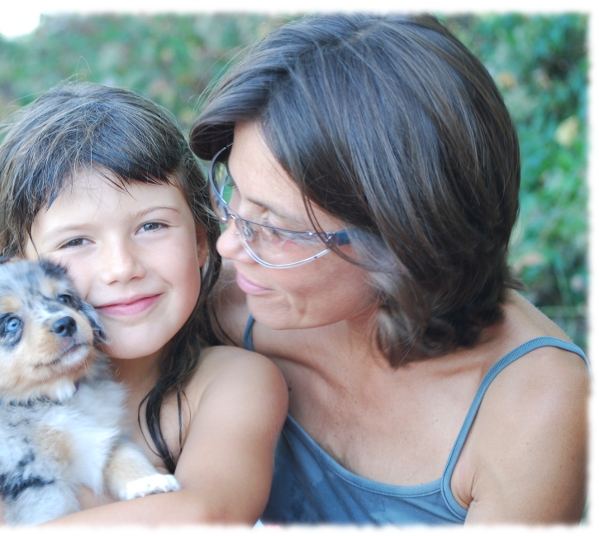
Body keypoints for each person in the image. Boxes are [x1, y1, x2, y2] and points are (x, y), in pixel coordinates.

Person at [0, 82, 288, 525]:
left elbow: (206, 517)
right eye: (77, 241)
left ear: (202, 244)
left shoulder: (230, 382)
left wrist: (24, 498)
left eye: (151, 226)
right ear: (18, 271)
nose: (121, 267)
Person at [187, 13, 589, 524]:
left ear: (406, 242)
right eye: (234, 193)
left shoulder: (533, 408)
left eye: (279, 229)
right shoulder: (231, 297)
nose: (228, 244)